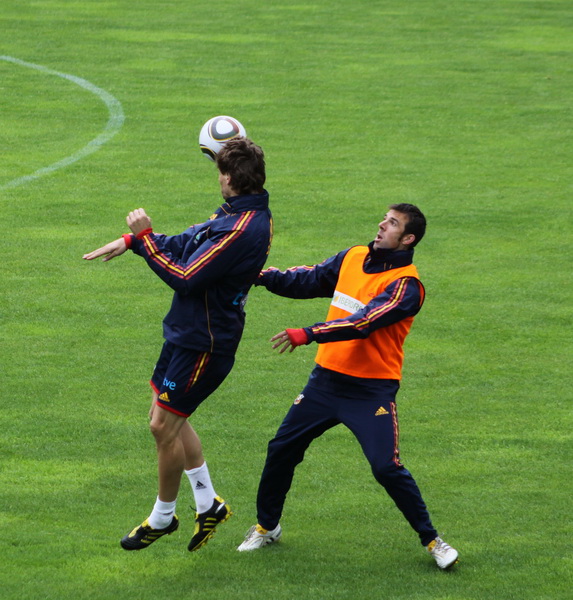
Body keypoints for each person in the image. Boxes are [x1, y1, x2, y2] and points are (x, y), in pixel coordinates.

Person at [237, 203, 459, 569]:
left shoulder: (407, 287)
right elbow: (309, 279)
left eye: (392, 223)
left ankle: (433, 540)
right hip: (324, 383)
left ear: (408, 239)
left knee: (386, 467)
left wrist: (309, 333)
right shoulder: (353, 257)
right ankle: (267, 527)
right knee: (282, 449)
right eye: (384, 219)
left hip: (371, 392)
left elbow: (363, 322)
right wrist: (261, 276)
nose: (381, 225)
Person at [83, 137, 272, 552]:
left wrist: (146, 237)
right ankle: (208, 503)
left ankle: (163, 517)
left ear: (228, 178)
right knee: (165, 410)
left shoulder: (242, 229)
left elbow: (186, 276)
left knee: (162, 426)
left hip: (205, 343)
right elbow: (191, 240)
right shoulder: (238, 212)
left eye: (219, 172)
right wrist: (133, 242)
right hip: (186, 331)